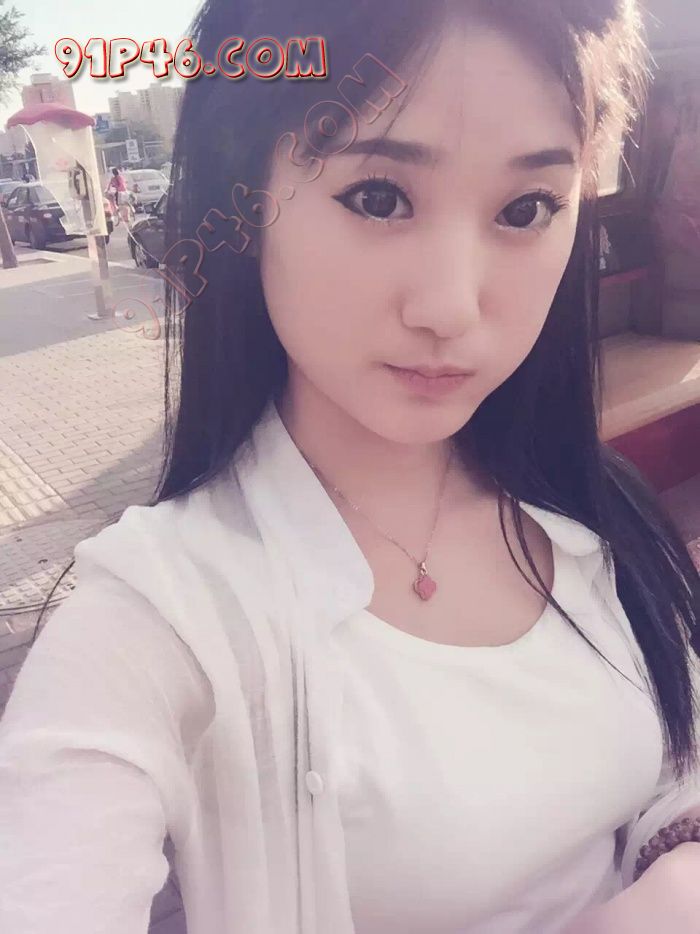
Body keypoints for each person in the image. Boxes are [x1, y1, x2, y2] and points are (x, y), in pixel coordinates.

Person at [1, 1, 699, 932]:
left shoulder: (590, 510)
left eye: (526, 209)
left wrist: (676, 863)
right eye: (378, 197)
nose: (451, 307)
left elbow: (671, 765)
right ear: (246, 203)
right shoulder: (161, 616)